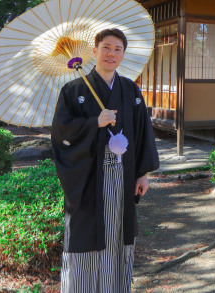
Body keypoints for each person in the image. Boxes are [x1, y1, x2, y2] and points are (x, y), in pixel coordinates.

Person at [52, 28, 160, 292]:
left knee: (118, 234)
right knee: (86, 233)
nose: (111, 54)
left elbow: (142, 130)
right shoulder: (73, 89)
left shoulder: (130, 89)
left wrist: (142, 173)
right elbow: (61, 133)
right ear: (94, 51)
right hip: (89, 178)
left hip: (123, 175)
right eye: (106, 48)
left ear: (123, 54)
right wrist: (93, 123)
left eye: (118, 49)